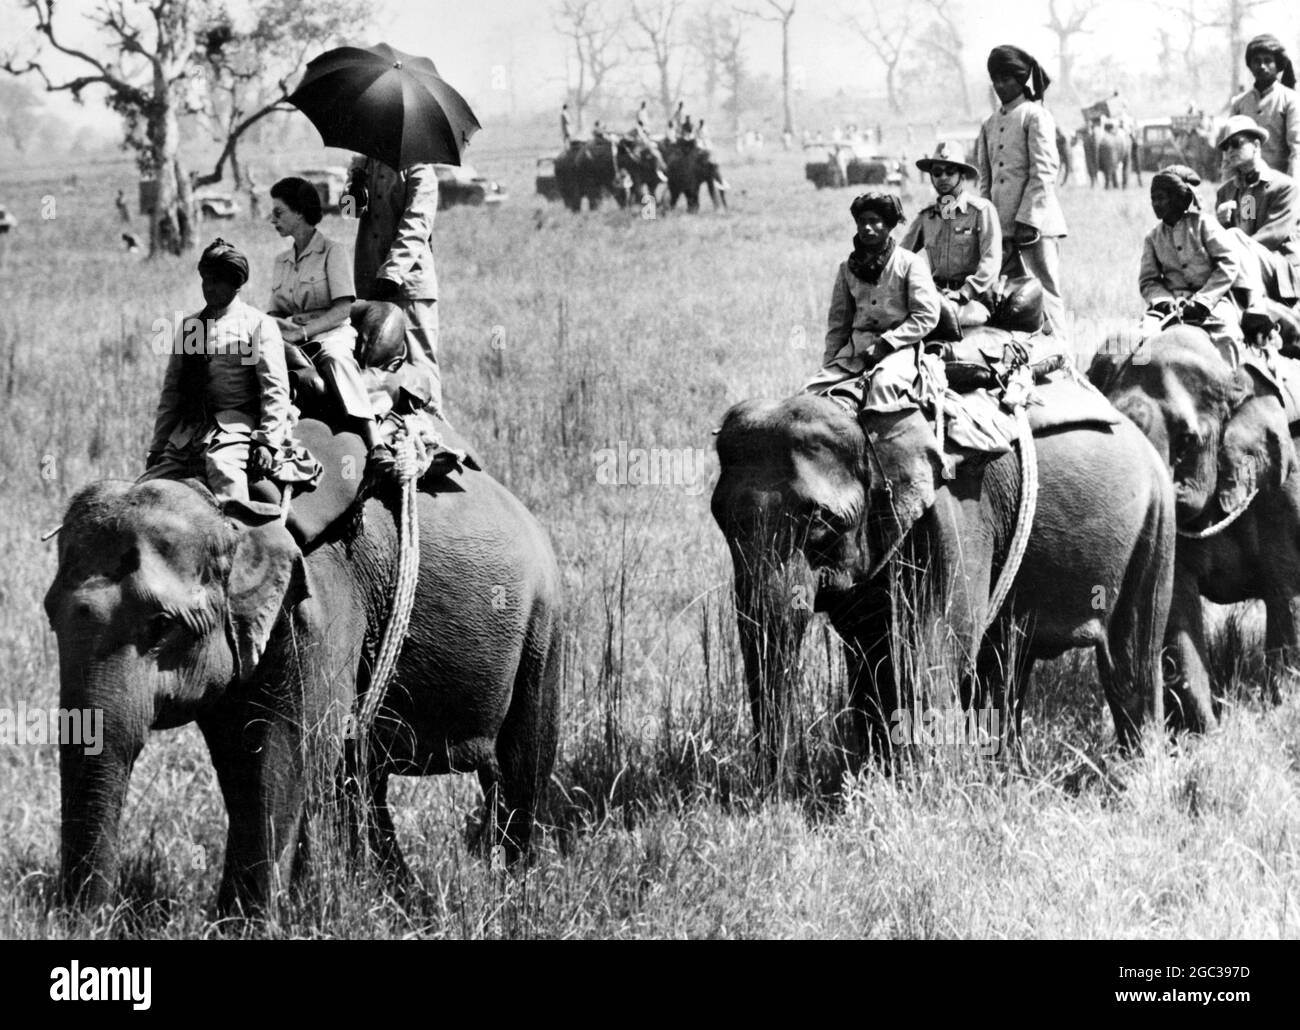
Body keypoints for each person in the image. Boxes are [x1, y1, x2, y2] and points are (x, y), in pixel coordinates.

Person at [805, 192, 943, 530]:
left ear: (889, 226)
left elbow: (927, 315)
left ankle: (884, 475)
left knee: (883, 392)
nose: (868, 228)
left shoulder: (909, 263)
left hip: (899, 349)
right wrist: (830, 365)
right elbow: (838, 324)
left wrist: (889, 343)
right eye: (862, 222)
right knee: (811, 396)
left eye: (875, 222)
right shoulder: (847, 269)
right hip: (854, 352)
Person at [142, 239, 291, 515]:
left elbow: (274, 388)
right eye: (205, 280)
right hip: (188, 433)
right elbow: (172, 392)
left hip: (235, 426)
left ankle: (238, 547)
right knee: (143, 492)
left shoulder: (255, 325)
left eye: (217, 281)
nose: (208, 288)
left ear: (235, 284)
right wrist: (158, 445)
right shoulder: (191, 327)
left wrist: (267, 442)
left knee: (225, 478)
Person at [266, 176, 392, 473]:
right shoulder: (281, 261)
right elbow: (275, 312)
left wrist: (304, 332)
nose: (272, 219)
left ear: (299, 212)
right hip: (294, 338)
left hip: (330, 333)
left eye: (279, 212)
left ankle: (375, 443)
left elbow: (343, 309)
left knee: (335, 358)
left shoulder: (332, 252)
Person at [975, 45, 1069, 337]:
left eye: (1007, 79)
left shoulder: (1035, 115)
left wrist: (1028, 219)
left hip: (1036, 227)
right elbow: (985, 180)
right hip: (999, 230)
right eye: (996, 79)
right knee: (1008, 297)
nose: (1001, 85)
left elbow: (1043, 171)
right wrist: (987, 225)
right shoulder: (989, 124)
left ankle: (1061, 356)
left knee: (1044, 292)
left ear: (1021, 80)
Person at [351, 156, 443, 413]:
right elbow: (349, 213)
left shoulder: (420, 169)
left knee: (420, 366)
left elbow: (416, 224)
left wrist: (391, 273)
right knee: (376, 368)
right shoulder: (365, 163)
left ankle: (435, 436)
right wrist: (355, 187)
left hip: (409, 286)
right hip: (371, 287)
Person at [1139, 166, 1247, 365]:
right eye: (1153, 199)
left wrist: (1203, 301)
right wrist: (1163, 300)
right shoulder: (1153, 238)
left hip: (1212, 303)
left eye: (1161, 198)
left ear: (1177, 199)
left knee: (1226, 335)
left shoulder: (1205, 225)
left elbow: (1228, 262)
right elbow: (1148, 280)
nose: (1156, 204)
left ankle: (1231, 387)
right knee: (1141, 338)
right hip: (1171, 306)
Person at [901, 141, 1001, 329]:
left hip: (973, 301)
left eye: (950, 172)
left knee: (934, 317)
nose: (943, 178)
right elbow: (901, 257)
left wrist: (965, 292)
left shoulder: (981, 211)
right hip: (937, 296)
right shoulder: (927, 216)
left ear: (962, 175)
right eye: (937, 173)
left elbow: (991, 261)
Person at [1214, 114, 1300, 307]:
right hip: (1239, 267)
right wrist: (1220, 224)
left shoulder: (1285, 187)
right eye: (1225, 147)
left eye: (1236, 143)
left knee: (1234, 237)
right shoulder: (1226, 192)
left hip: (1279, 271)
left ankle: (1255, 306)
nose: (1230, 151)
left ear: (1256, 146)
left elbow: (1273, 236)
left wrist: (1231, 243)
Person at [1230, 34, 1299, 177]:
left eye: (1268, 61)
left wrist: (1294, 188)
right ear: (1250, 64)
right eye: (1257, 61)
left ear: (1278, 65)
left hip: (1279, 183)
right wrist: (1227, 190)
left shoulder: (1290, 99)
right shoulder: (1239, 103)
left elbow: (1296, 148)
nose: (1262, 66)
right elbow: (1229, 151)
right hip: (1246, 185)